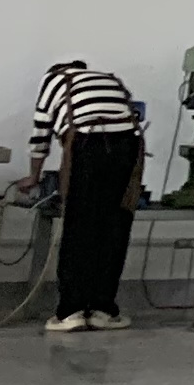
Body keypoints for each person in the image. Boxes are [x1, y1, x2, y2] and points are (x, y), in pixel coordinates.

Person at [32, 59, 147, 333]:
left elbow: (40, 137)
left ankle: (70, 312)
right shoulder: (110, 79)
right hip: (128, 145)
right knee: (114, 226)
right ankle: (102, 310)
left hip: (87, 142)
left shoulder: (53, 80)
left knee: (79, 226)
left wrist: (33, 177)